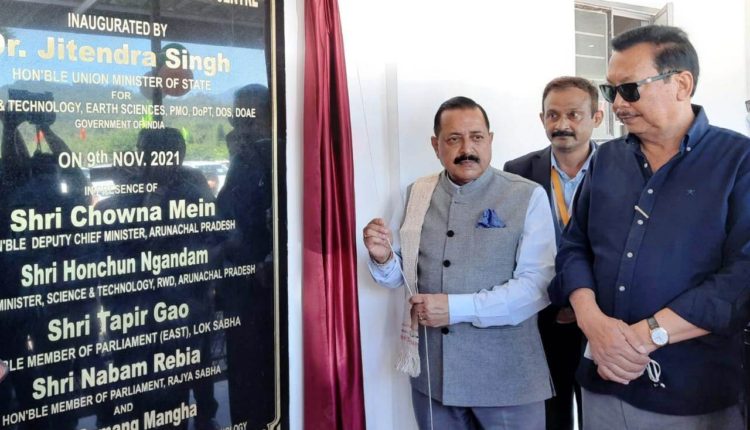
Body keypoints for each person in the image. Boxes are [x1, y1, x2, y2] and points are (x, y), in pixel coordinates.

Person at [549, 25, 750, 430]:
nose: (618, 104)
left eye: (629, 89)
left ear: (681, 84)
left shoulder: (737, 161)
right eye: (610, 91)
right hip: (603, 382)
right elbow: (575, 247)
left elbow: (742, 277)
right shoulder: (606, 160)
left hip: (692, 390)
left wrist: (644, 337)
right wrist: (592, 322)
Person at [364, 96, 556, 430]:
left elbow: (536, 288)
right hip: (433, 378)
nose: (467, 149)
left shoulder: (526, 195)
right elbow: (401, 276)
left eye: (477, 137)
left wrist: (455, 308)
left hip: (508, 380)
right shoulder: (416, 194)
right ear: (436, 145)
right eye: (454, 139)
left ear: (490, 140)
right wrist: (382, 257)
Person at [504, 76, 603, 430]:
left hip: (601, 314)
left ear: (597, 117)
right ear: (542, 118)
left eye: (574, 114)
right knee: (550, 413)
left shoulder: (620, 168)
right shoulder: (518, 172)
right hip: (542, 314)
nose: (562, 124)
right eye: (553, 114)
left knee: (599, 412)